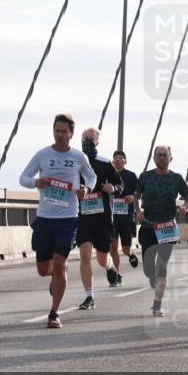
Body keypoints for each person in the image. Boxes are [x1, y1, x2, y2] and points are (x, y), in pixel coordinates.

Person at [19, 113, 96, 329]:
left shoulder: (79, 157)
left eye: (65, 132)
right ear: (53, 131)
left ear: (71, 134)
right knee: (44, 269)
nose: (61, 135)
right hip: (44, 217)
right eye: (57, 131)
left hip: (68, 217)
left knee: (60, 263)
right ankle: (55, 275)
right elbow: (23, 177)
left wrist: (86, 189)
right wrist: (37, 182)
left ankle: (54, 313)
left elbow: (91, 177)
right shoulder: (42, 155)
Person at [134, 145, 188, 317]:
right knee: (149, 269)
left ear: (170, 158)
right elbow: (136, 195)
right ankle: (152, 277)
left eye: (164, 155)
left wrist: (185, 207)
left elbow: (187, 197)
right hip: (148, 226)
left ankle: (157, 305)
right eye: (158, 155)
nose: (161, 158)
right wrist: (137, 210)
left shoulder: (177, 178)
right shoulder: (145, 177)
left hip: (167, 227)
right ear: (154, 158)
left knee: (162, 267)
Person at [75, 128, 123, 310]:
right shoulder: (75, 161)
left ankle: (110, 267)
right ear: (80, 140)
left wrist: (113, 188)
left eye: (91, 139)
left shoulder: (104, 163)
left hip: (102, 218)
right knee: (85, 254)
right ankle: (89, 296)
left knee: (101, 259)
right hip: (83, 217)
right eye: (85, 138)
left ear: (97, 143)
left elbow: (120, 184)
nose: (88, 141)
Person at [109, 149, 139, 283]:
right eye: (115, 158)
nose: (117, 160)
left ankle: (131, 254)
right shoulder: (108, 175)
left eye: (120, 158)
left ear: (125, 161)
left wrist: (132, 198)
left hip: (126, 217)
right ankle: (117, 275)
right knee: (113, 248)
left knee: (126, 249)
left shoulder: (131, 176)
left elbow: (139, 194)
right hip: (111, 217)